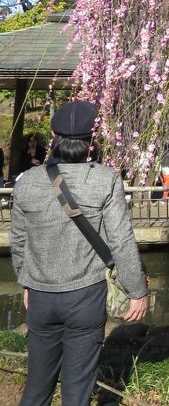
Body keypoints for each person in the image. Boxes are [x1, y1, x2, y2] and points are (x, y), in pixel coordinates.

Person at [10, 101, 148, 406]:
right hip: (85, 297)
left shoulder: (27, 182)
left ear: (53, 136)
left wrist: (26, 282)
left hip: (41, 298)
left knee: (36, 387)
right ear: (90, 140)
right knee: (77, 392)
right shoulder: (104, 179)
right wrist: (137, 291)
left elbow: (18, 241)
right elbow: (121, 241)